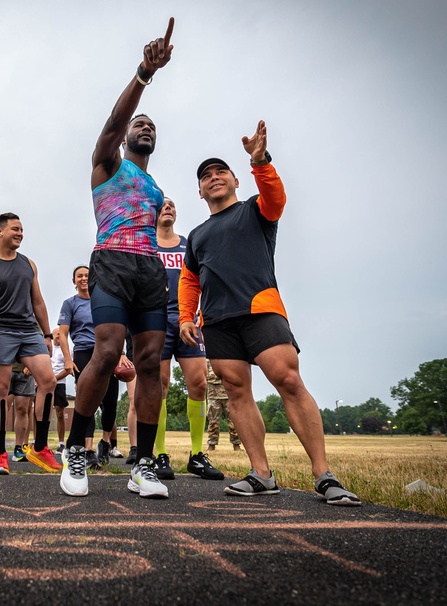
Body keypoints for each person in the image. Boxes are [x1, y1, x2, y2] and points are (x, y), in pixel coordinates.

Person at [178, 120, 360, 506]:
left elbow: (276, 198)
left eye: (221, 172)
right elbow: (189, 280)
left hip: (261, 309)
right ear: (199, 190)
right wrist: (185, 317)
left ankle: (324, 475)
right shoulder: (196, 235)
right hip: (217, 320)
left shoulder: (256, 210)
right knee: (236, 391)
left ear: (235, 181)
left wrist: (260, 161)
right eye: (206, 176)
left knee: (289, 380)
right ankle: (261, 474)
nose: (213, 178)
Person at [60, 19, 175, 500]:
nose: (143, 126)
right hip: (111, 261)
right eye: (138, 124)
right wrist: (144, 75)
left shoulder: (155, 188)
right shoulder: (107, 165)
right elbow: (111, 124)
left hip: (150, 271)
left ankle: (143, 464)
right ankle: (74, 450)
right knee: (107, 353)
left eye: (151, 125)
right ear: (126, 137)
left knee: (150, 364)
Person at [0, 213, 64, 476]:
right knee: (0, 390)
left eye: (22, 229)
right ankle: (0, 454)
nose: (20, 233)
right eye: (15, 229)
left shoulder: (29, 264)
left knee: (48, 381)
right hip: (0, 331)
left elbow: (38, 302)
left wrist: (47, 335)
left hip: (28, 331)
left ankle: (40, 447)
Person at [154, 197, 223, 481]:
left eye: (171, 205)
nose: (168, 207)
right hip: (156, 319)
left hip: (187, 319)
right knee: (160, 385)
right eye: (162, 205)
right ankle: (157, 454)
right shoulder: (147, 244)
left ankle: (196, 455)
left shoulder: (188, 245)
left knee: (199, 382)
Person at [57, 266, 123, 470]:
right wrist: (68, 360)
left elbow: (117, 328)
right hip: (84, 353)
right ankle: (87, 450)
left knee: (111, 401)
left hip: (107, 350)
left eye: (87, 275)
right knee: (88, 401)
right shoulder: (70, 304)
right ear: (74, 281)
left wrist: (122, 354)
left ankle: (105, 443)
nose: (84, 278)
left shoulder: (104, 301)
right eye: (80, 276)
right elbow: (63, 333)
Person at [205, 360, 241, 452]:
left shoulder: (226, 358)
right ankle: (211, 445)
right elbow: (204, 375)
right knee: (213, 421)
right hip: (213, 394)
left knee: (233, 420)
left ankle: (236, 444)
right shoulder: (207, 360)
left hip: (228, 393)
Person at [50, 328, 71, 451]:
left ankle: (61, 443)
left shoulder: (67, 350)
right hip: (45, 383)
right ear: (52, 336)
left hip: (59, 383)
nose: (59, 336)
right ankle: (37, 441)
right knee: (40, 412)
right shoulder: (47, 349)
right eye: (57, 334)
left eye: (61, 334)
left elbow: (68, 368)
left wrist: (55, 378)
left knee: (59, 413)